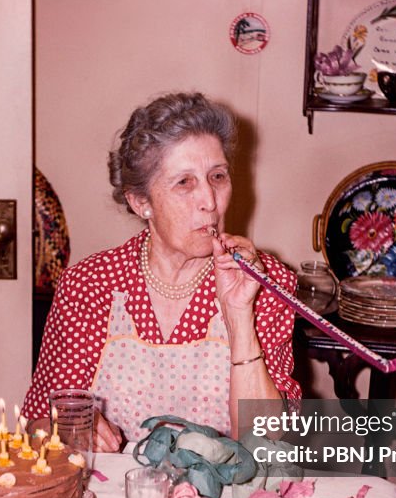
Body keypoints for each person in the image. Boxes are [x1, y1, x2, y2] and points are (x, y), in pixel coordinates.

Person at [22, 92, 300, 451]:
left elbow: (264, 439)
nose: (210, 202)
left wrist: (239, 315)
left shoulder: (266, 282)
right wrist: (69, 430)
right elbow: (39, 422)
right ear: (141, 203)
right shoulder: (89, 284)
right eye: (184, 183)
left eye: (217, 176)